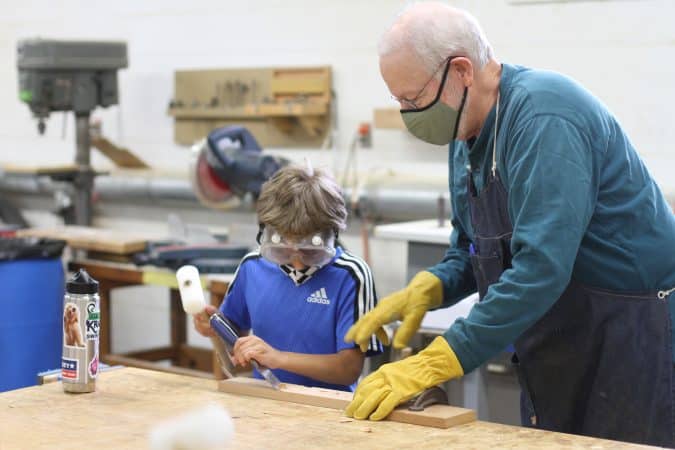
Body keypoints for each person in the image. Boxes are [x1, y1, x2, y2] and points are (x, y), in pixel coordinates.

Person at [343, 2, 675, 446]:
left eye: (413, 100)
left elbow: (541, 267)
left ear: (461, 71)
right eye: (398, 100)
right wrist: (432, 287)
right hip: (556, 333)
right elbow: (471, 251)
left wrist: (441, 358)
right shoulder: (463, 133)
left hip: (629, 334)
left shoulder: (545, 117)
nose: (407, 115)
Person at [193, 162, 383, 392]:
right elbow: (236, 351)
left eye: (310, 250)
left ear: (331, 234)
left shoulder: (350, 276)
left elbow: (349, 369)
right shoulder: (253, 267)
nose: (297, 262)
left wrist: (277, 358)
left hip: (330, 407)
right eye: (283, 249)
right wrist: (217, 331)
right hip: (267, 401)